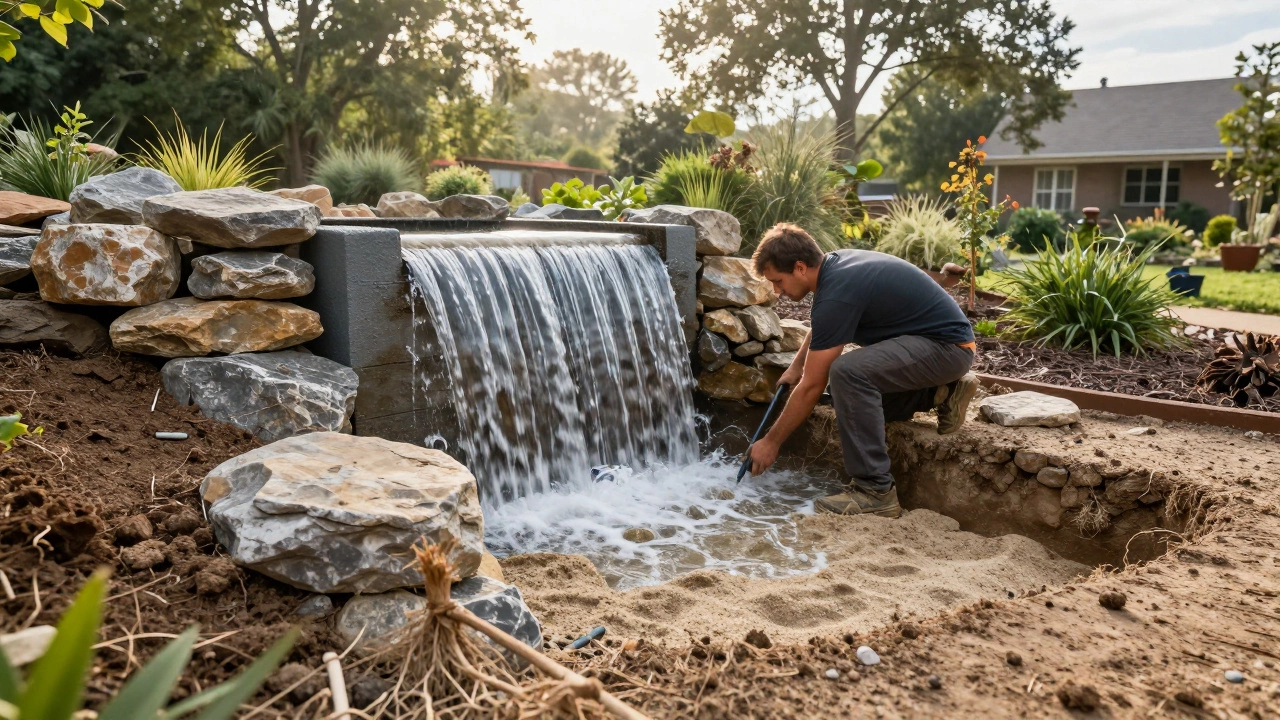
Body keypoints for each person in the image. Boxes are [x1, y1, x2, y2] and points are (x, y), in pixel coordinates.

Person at [744, 223, 979, 517]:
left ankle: (875, 491)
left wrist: (771, 442)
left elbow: (812, 386)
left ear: (800, 267)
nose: (777, 291)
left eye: (778, 281)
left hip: (947, 350)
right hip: (936, 348)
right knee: (852, 402)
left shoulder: (837, 291)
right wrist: (796, 366)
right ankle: (940, 394)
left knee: (847, 372)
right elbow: (824, 326)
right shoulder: (835, 270)